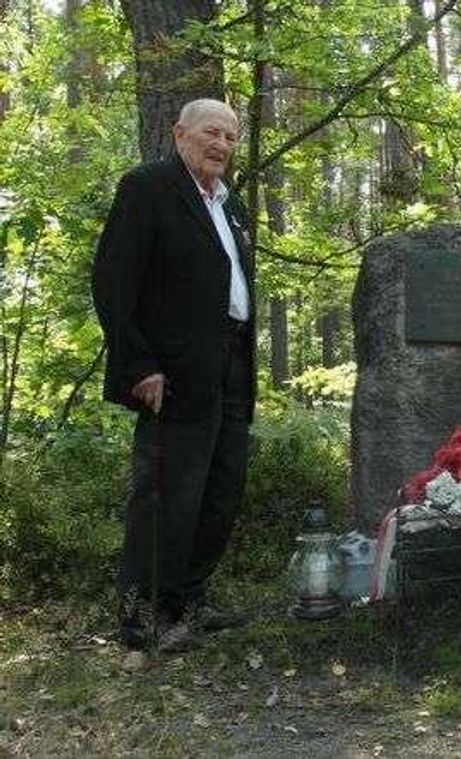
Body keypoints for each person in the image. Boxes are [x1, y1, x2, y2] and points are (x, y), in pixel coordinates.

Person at [92, 98, 255, 652]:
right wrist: (139, 365)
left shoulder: (229, 205)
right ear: (180, 133)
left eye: (232, 138)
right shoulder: (149, 188)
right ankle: (139, 620)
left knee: (219, 488)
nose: (223, 146)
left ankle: (188, 600)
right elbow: (113, 282)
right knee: (164, 494)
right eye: (213, 133)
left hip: (231, 366)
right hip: (173, 372)